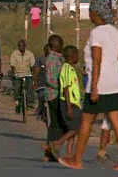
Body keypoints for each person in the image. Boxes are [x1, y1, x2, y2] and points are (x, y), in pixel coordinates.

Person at [59, 0, 118, 171]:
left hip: (101, 83)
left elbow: (97, 61)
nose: (90, 15)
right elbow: (117, 58)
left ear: (97, 13)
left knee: (86, 121)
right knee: (116, 120)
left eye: (91, 12)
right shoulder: (116, 33)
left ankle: (77, 160)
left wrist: (94, 87)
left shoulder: (97, 33)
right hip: (116, 82)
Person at [44, 45, 81, 159]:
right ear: (72, 56)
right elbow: (65, 88)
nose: (78, 58)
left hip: (74, 103)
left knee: (72, 128)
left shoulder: (70, 68)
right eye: (77, 55)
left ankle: (69, 153)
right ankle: (56, 144)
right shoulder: (65, 68)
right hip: (68, 103)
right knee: (76, 129)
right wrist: (69, 107)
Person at [44, 34, 66, 162]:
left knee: (55, 123)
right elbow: (50, 80)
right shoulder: (52, 59)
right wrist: (62, 86)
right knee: (56, 124)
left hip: (56, 94)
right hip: (54, 94)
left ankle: (51, 150)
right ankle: (51, 149)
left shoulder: (57, 58)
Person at [10, 39, 36, 113]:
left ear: (25, 46)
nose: (21, 47)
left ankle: (30, 103)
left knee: (30, 87)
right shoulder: (14, 54)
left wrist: (33, 71)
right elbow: (12, 64)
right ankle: (17, 101)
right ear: (18, 46)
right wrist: (13, 72)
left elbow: (32, 64)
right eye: (20, 46)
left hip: (27, 74)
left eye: (22, 45)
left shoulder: (30, 54)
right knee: (17, 87)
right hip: (18, 74)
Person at [33, 44, 50, 124]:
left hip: (52, 85)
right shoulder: (40, 59)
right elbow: (36, 71)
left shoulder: (55, 60)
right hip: (42, 83)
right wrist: (35, 82)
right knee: (41, 95)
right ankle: (40, 109)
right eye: (47, 49)